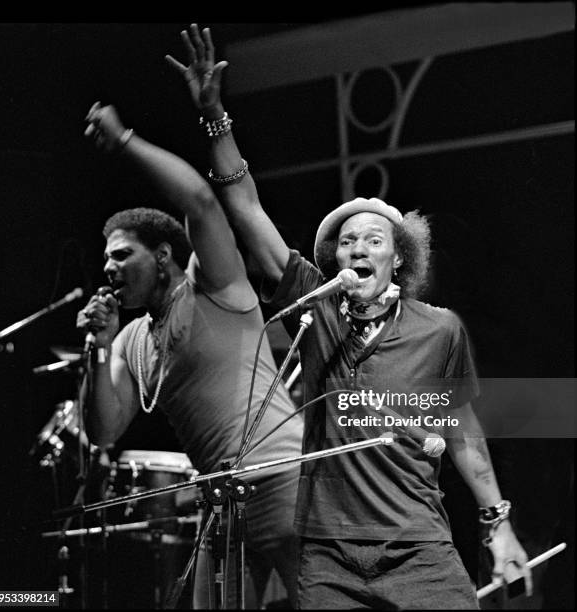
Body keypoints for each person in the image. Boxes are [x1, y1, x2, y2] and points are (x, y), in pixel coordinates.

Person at [167, 23, 534, 610]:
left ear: (399, 257)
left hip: (419, 549)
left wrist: (498, 524)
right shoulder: (316, 308)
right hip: (328, 555)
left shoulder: (439, 328)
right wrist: (215, 116)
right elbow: (243, 205)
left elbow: (463, 432)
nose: (358, 248)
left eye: (372, 239)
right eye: (346, 241)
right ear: (333, 258)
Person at [78, 100, 303, 608]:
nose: (108, 268)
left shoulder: (211, 285)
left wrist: (125, 141)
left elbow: (202, 201)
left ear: (161, 257)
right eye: (105, 259)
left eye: (121, 255)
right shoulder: (132, 338)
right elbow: (103, 430)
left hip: (283, 480)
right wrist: (98, 345)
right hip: (222, 502)